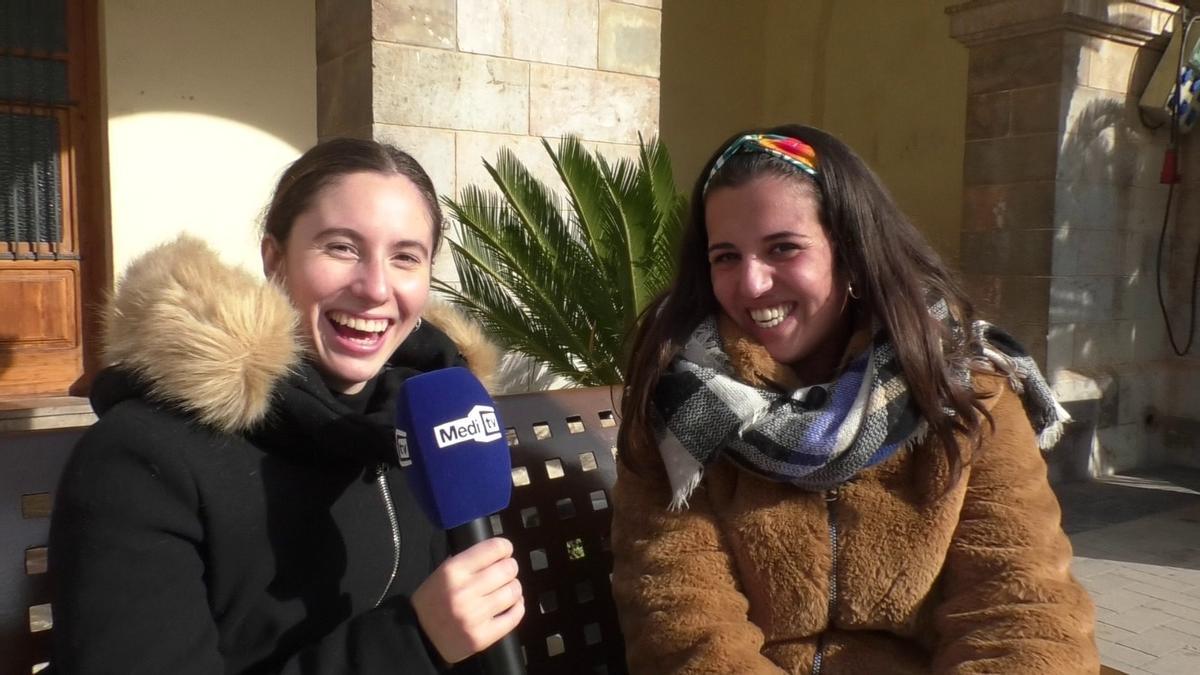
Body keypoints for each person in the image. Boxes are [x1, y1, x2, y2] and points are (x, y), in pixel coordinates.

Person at [610, 125, 1098, 674]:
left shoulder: (964, 393)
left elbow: (1020, 604)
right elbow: (682, 620)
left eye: (783, 248)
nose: (749, 284)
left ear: (853, 255)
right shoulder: (679, 406)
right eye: (725, 257)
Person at [49, 138, 524, 674]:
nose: (375, 287)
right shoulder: (141, 459)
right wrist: (411, 641)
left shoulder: (435, 420)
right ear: (275, 260)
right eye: (342, 247)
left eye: (406, 257)